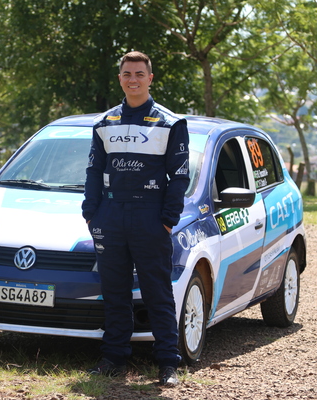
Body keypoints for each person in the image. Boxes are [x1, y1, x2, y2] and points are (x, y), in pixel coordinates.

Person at [82, 51, 190, 386]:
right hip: (110, 216)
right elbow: (93, 171)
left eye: (139, 74)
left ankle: (168, 363)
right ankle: (114, 358)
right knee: (114, 293)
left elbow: (180, 177)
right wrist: (91, 214)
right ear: (120, 79)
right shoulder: (105, 123)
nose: (133, 80)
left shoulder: (170, 123)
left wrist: (167, 219)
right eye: (127, 74)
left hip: (150, 217)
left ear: (150, 78)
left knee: (157, 292)